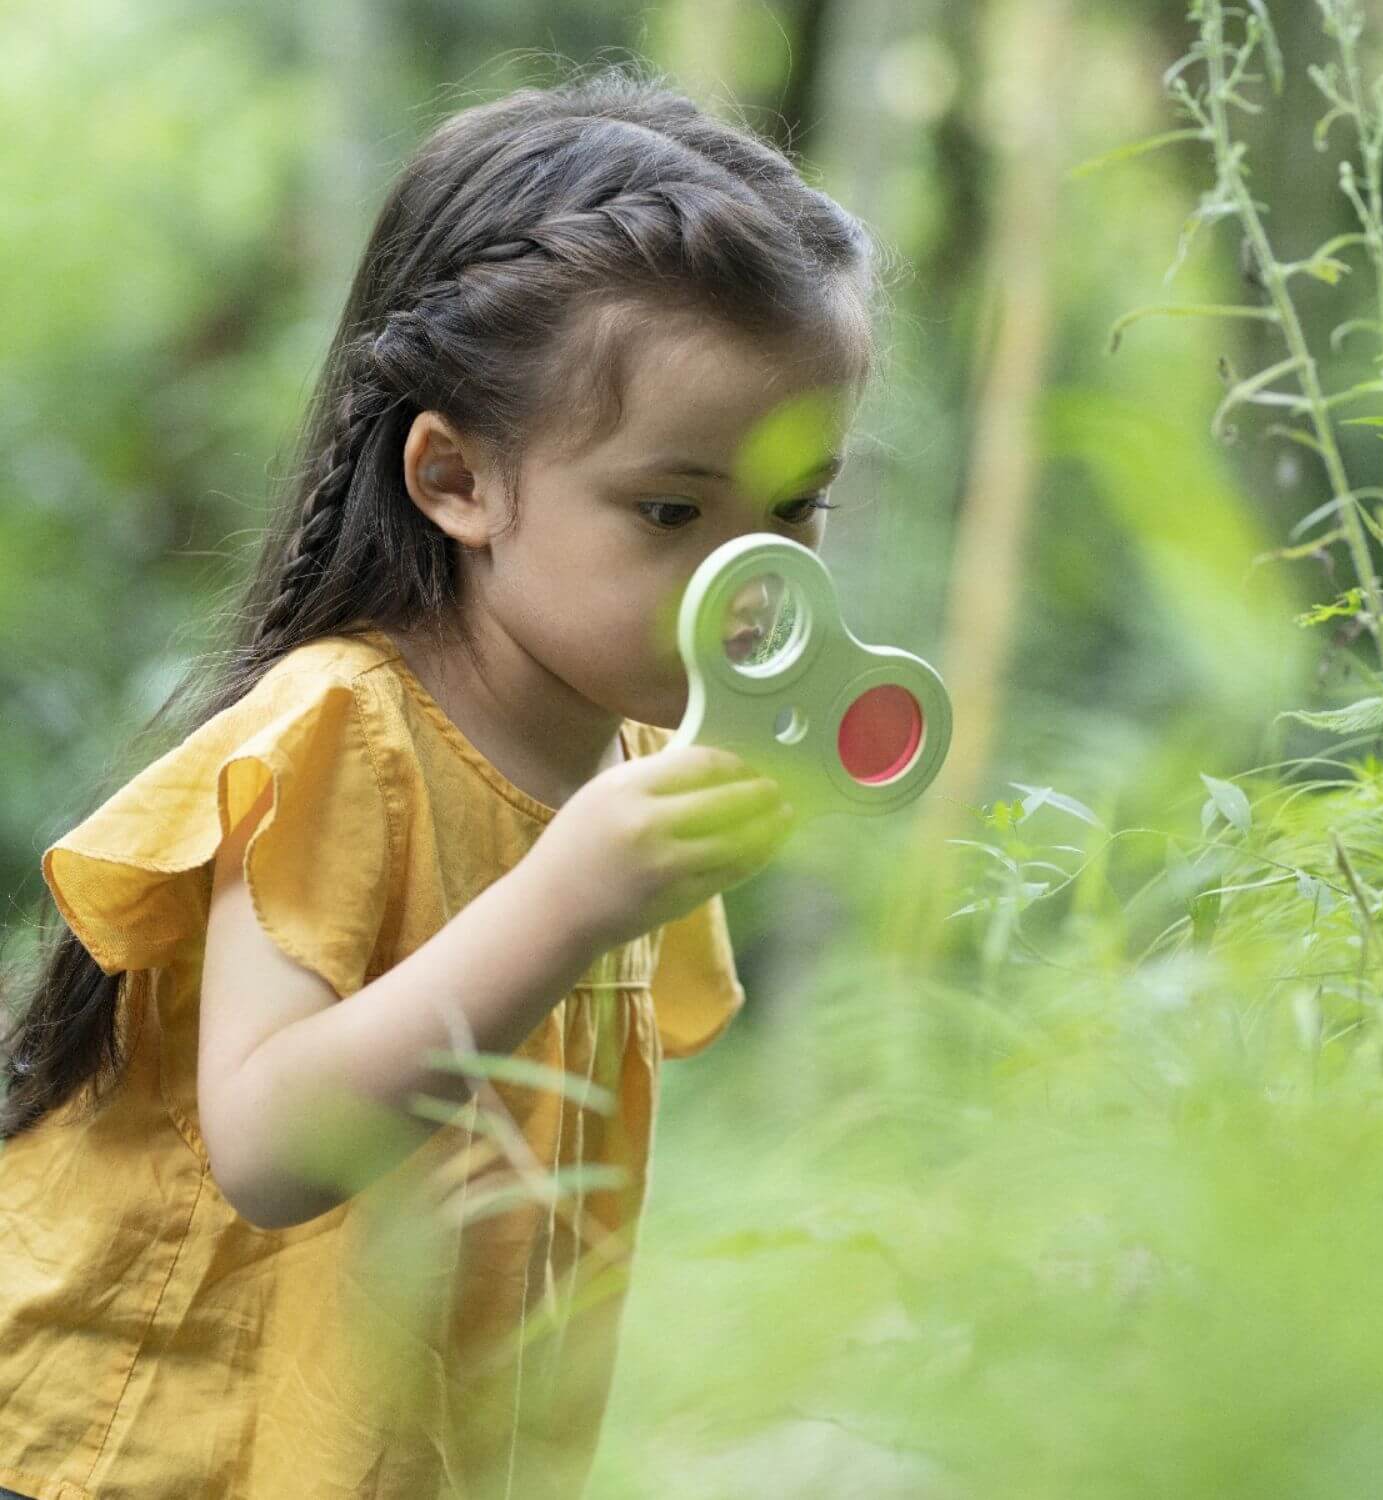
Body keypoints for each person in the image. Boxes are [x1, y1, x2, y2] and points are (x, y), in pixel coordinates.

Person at [0, 63, 876, 1500]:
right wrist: (574, 896)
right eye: (671, 511)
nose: (745, 573)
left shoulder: (638, 759)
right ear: (456, 479)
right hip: (152, 1444)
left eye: (795, 507)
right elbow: (273, 1147)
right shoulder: (345, 730)